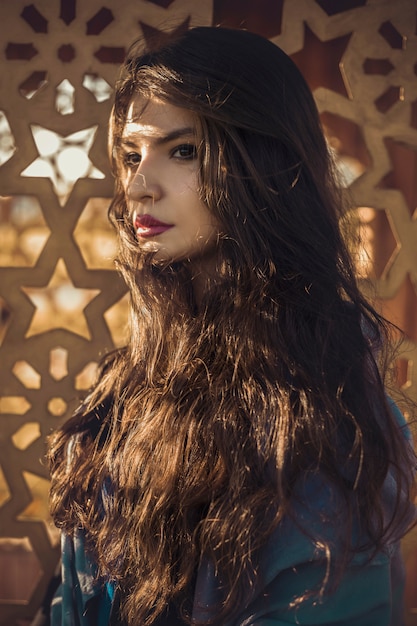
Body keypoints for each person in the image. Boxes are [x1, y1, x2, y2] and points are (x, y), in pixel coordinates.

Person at [47, 26, 416, 626]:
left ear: (262, 163)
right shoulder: (127, 385)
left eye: (183, 150)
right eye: (133, 155)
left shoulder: (327, 415)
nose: (140, 185)